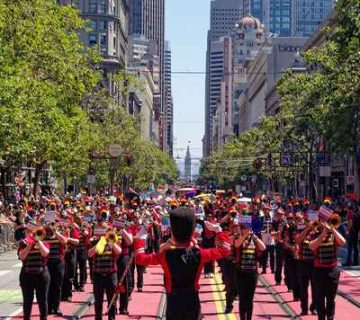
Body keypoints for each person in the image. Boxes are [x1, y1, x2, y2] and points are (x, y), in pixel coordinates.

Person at [134, 206, 231, 320]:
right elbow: (225, 250)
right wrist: (218, 230)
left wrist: (141, 236)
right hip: (192, 301)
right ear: (191, 231)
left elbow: (140, 258)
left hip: (173, 302)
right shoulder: (199, 254)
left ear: (174, 232)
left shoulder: (165, 255)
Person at [309, 216, 346, 320]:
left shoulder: (334, 234)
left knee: (331, 299)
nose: (326, 223)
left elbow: (343, 242)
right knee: (319, 298)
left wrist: (333, 229)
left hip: (333, 270)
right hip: (319, 270)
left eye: (328, 221)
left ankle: (330, 318)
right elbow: (312, 246)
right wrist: (323, 233)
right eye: (324, 222)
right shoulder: (314, 233)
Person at [233, 222, 266, 320]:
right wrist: (244, 235)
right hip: (240, 272)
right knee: (242, 298)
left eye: (247, 228)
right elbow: (236, 245)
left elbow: (263, 247)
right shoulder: (238, 237)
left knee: (250, 298)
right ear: (241, 229)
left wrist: (254, 237)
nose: (246, 230)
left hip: (252, 273)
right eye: (244, 228)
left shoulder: (254, 239)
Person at [88, 230, 122, 320]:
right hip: (98, 275)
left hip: (111, 275)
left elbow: (119, 251)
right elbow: (90, 254)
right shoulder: (95, 242)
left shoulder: (113, 241)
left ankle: (111, 318)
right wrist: (99, 243)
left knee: (112, 300)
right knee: (98, 300)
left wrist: (111, 241)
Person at [18, 228, 50, 320]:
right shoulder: (22, 243)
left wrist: (38, 241)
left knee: (42, 300)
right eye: (30, 232)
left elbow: (45, 253)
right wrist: (30, 244)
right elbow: (22, 256)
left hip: (41, 275)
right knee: (27, 301)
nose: (33, 234)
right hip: (26, 275)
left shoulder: (44, 241)